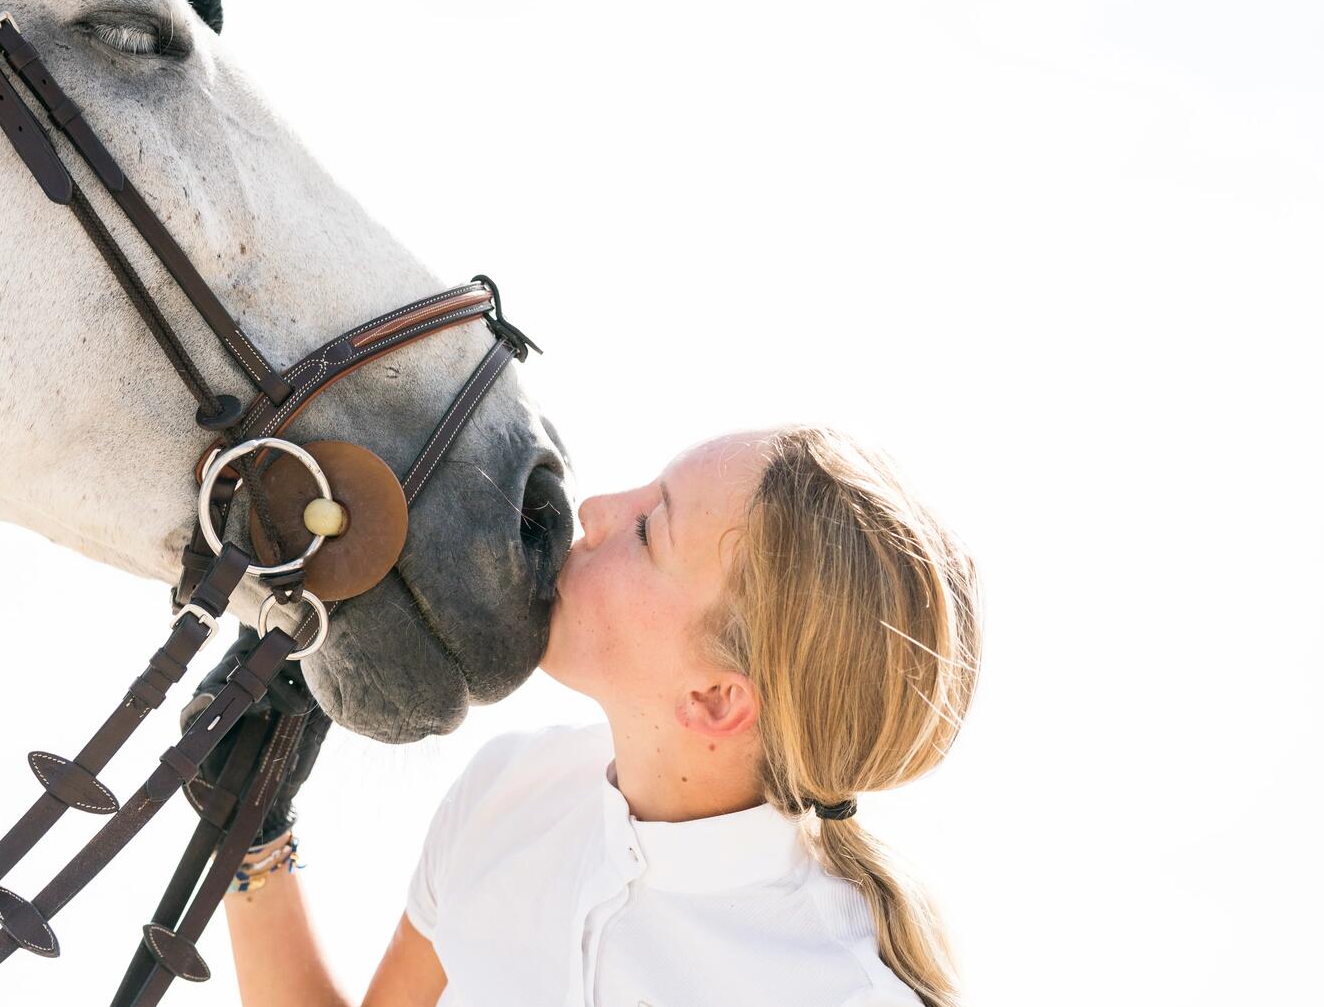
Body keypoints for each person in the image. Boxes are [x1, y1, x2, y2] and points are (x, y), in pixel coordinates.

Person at [188, 425, 980, 1007]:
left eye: (647, 530)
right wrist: (250, 838)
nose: (594, 510)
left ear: (716, 700)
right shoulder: (511, 789)